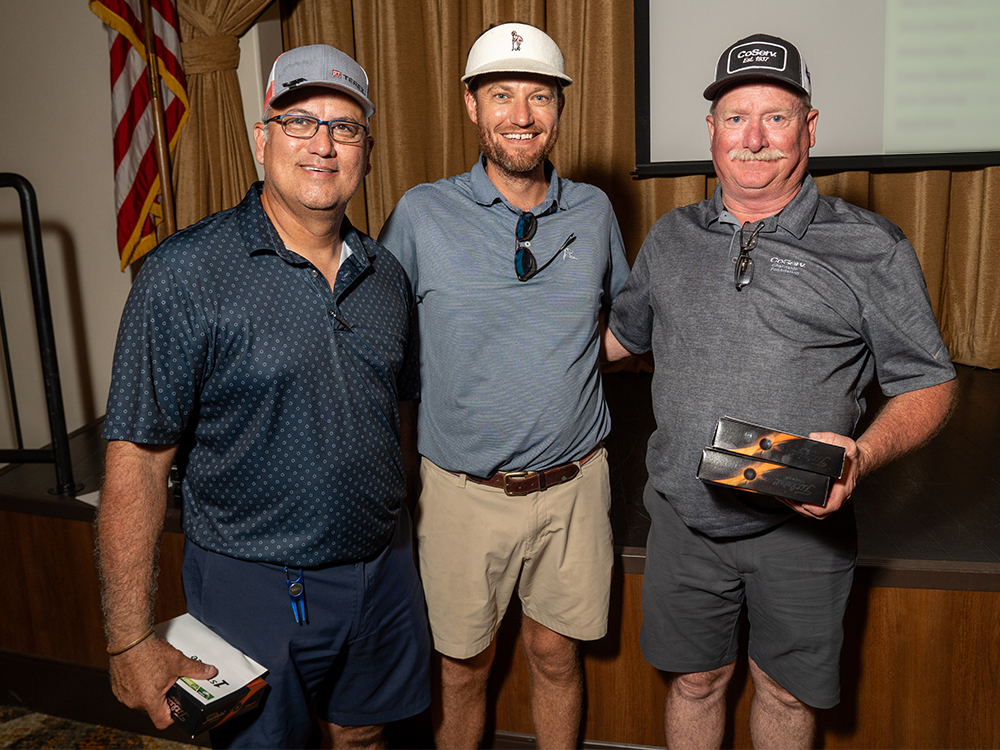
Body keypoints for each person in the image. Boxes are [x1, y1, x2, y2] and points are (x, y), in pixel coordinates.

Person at [604, 33, 957, 750]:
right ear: (711, 132)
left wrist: (860, 453)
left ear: (810, 127)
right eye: (736, 118)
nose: (755, 138)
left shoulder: (871, 245)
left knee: (785, 695)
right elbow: (617, 340)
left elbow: (931, 382)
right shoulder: (671, 239)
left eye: (777, 116)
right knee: (696, 682)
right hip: (684, 516)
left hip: (802, 527)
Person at [96, 44, 430, 750]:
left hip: (380, 571)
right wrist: (128, 640)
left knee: (365, 734)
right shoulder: (185, 275)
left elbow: (400, 413)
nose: (323, 144)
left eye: (344, 127)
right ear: (262, 138)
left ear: (366, 149)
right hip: (251, 585)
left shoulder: (387, 276)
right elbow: (137, 463)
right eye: (300, 121)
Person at [378, 22, 629, 750]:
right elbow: (379, 338)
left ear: (559, 107)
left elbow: (624, 323)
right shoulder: (423, 214)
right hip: (462, 493)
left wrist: (562, 363)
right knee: (462, 670)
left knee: (556, 656)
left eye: (539, 96)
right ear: (471, 105)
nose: (522, 115)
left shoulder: (594, 210)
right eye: (502, 95)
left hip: (575, 486)